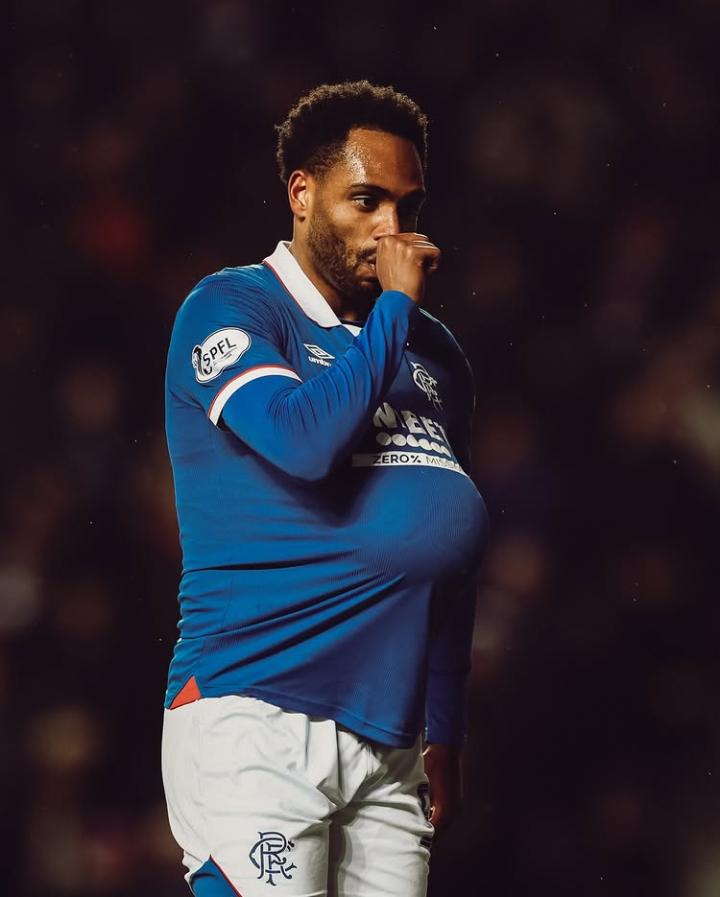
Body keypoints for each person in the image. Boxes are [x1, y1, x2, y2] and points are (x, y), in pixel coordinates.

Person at [161, 80, 489, 897]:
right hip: (257, 712)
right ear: (302, 194)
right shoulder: (233, 305)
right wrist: (396, 313)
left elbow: (445, 556)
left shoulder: (436, 356)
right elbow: (303, 441)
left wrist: (444, 725)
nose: (391, 230)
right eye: (366, 200)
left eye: (407, 207)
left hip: (390, 738)